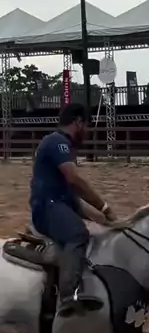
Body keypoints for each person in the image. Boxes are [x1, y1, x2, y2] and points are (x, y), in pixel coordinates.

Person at [29, 103, 116, 317]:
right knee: (78, 234)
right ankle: (69, 295)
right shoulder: (58, 143)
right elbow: (75, 181)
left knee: (97, 230)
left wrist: (104, 220)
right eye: (87, 125)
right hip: (47, 208)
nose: (88, 131)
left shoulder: (58, 143)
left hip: (55, 205)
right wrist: (105, 207)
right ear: (78, 122)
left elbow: (73, 199)